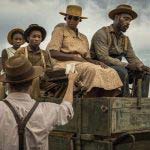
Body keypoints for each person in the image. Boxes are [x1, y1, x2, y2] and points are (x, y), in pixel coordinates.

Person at [0, 54, 77, 150]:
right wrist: (71, 81)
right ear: (32, 82)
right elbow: (67, 109)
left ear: (8, 84)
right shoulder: (45, 110)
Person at [46, 5, 123, 97]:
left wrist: (97, 62)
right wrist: (73, 57)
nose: (71, 20)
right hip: (64, 64)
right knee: (92, 70)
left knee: (110, 71)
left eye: (75, 18)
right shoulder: (59, 31)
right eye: (69, 17)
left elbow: (87, 58)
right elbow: (53, 53)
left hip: (82, 63)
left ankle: (103, 98)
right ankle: (88, 97)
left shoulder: (83, 38)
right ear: (65, 18)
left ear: (79, 20)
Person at [90, 4, 150, 97]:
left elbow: (132, 58)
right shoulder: (102, 33)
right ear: (117, 17)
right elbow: (103, 58)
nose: (128, 23)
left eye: (130, 20)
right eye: (125, 18)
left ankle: (139, 104)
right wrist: (127, 65)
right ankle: (123, 104)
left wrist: (142, 66)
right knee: (122, 72)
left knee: (144, 74)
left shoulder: (125, 39)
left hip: (118, 67)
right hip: (100, 66)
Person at [16, 24, 52, 99]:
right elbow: (16, 69)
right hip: (24, 82)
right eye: (34, 36)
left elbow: (49, 70)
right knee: (35, 78)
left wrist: (43, 73)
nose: (37, 39)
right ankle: (34, 103)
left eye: (39, 37)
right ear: (28, 38)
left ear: (41, 39)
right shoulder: (21, 51)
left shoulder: (45, 53)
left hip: (42, 81)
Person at [0, 28, 25, 100]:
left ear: (23, 40)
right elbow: (5, 67)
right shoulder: (6, 51)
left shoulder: (24, 51)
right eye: (16, 39)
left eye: (20, 39)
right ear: (12, 40)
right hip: (7, 74)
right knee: (2, 86)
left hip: (22, 74)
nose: (18, 41)